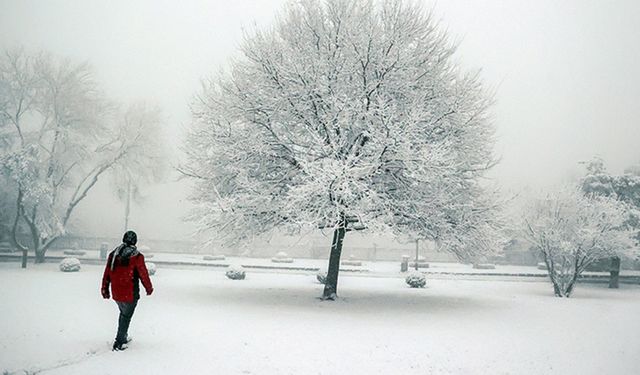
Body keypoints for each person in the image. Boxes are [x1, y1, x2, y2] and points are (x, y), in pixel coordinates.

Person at [101, 230, 153, 351]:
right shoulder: (137, 256)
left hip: (117, 293)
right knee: (126, 316)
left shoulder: (114, 254)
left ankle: (123, 336)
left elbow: (107, 272)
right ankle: (119, 342)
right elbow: (143, 274)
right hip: (130, 294)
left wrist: (105, 289)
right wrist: (149, 288)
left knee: (123, 314)